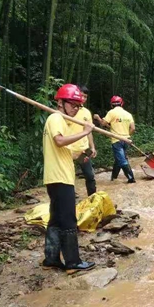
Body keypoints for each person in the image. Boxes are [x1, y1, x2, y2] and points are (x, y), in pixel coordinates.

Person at [41, 84, 96, 273]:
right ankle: (73, 262)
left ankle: (51, 259)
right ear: (61, 103)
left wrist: (82, 152)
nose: (76, 109)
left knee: (56, 219)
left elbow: (66, 150)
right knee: (68, 219)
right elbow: (59, 141)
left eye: (78, 106)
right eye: (73, 104)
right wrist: (85, 132)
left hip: (56, 176)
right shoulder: (56, 118)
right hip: (60, 177)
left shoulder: (60, 121)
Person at [93, 96, 136, 183]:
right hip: (126, 140)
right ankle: (114, 177)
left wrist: (98, 118)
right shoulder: (128, 114)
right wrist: (126, 135)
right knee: (119, 158)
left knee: (122, 160)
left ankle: (131, 178)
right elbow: (133, 128)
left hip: (116, 141)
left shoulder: (111, 113)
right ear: (122, 104)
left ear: (111, 105)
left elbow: (103, 124)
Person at [67, 85, 97, 197]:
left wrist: (92, 147)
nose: (83, 98)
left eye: (85, 97)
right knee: (68, 176)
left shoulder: (86, 112)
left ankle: (93, 198)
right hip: (68, 150)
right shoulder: (67, 110)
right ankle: (71, 197)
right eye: (81, 96)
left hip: (83, 150)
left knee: (90, 175)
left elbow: (88, 131)